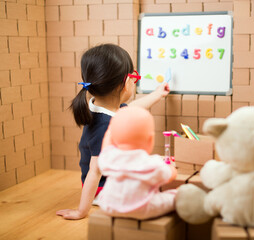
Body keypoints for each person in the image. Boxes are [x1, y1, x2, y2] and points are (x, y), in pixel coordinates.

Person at [56, 44, 170, 220]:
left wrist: (157, 94)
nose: (135, 81)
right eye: (134, 77)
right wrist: (81, 211)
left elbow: (130, 108)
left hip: (107, 181)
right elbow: (95, 172)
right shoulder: (103, 126)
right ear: (125, 83)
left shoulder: (100, 104)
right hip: (104, 189)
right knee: (153, 189)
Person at [98, 106, 177, 219]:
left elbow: (106, 147)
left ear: (113, 138)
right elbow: (168, 176)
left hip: (109, 206)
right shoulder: (151, 163)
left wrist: (111, 131)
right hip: (141, 208)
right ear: (150, 140)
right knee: (173, 197)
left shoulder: (109, 158)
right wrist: (172, 169)